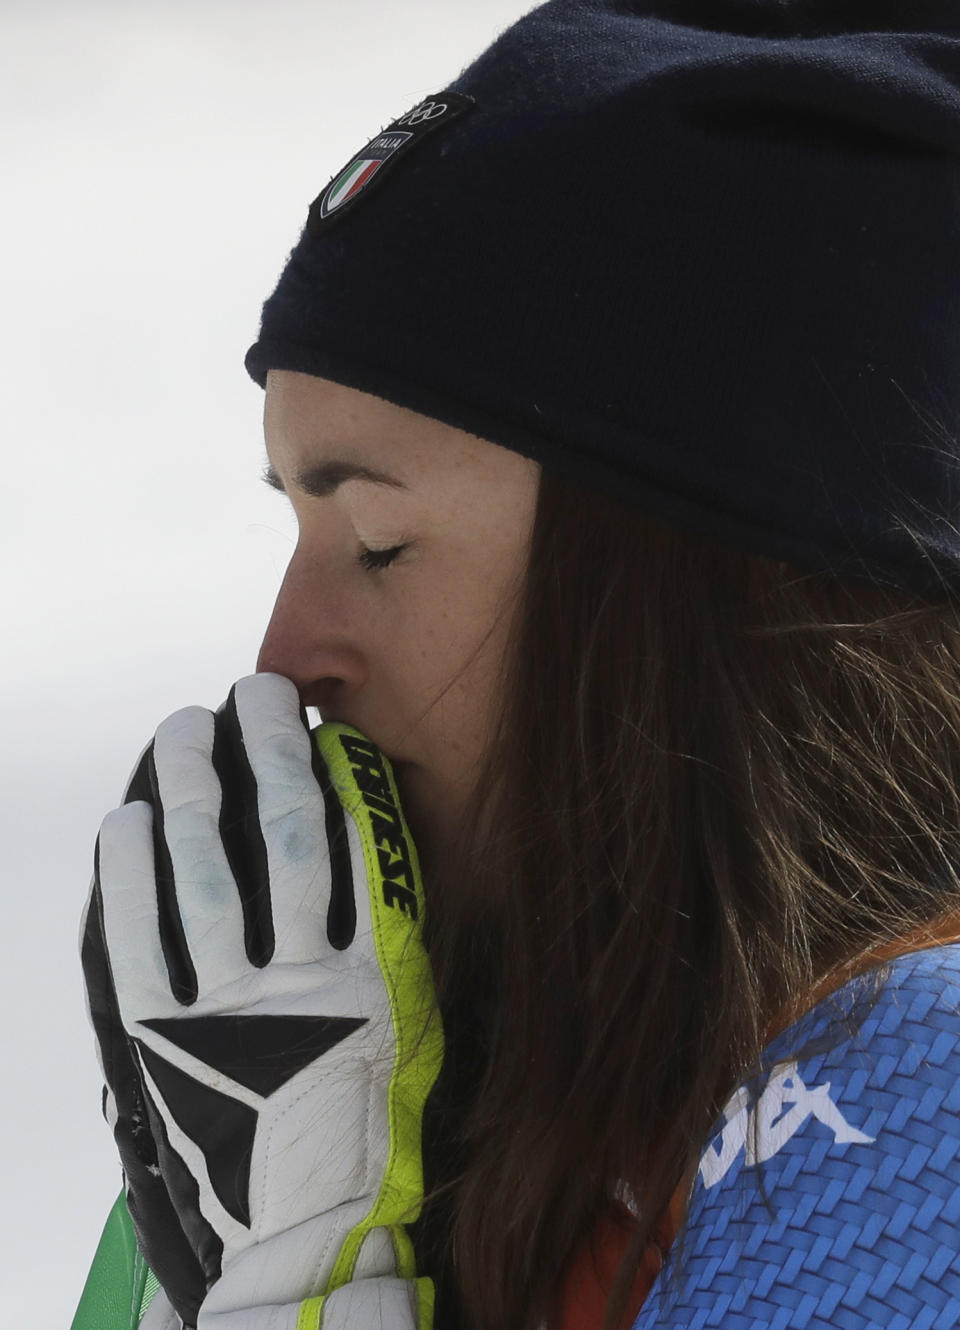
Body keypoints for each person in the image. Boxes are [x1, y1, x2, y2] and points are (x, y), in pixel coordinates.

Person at [72, 1, 960, 1328]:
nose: (279, 657)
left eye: (376, 541)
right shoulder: (423, 1119)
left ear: (708, 581)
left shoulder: (908, 1116)